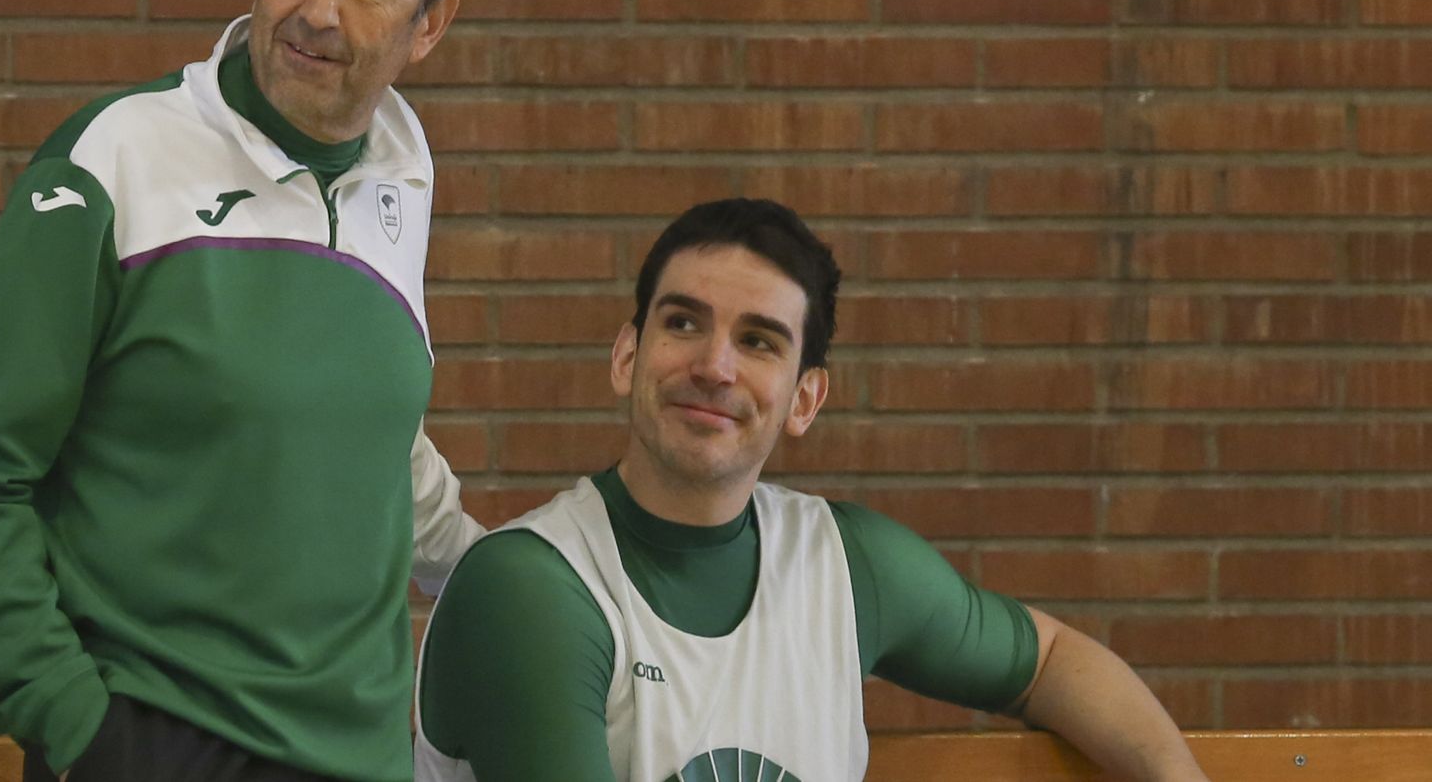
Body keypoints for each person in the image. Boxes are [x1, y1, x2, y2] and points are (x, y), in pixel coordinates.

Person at [0, 0, 483, 782]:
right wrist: (74, 722)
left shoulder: (401, 173)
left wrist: (499, 567)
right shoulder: (112, 158)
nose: (318, 10)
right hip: (152, 748)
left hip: (364, 758)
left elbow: (370, 434)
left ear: (430, 25)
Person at [415, 198, 1212, 782]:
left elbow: (1051, 664)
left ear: (804, 398)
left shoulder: (846, 564)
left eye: (758, 341)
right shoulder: (532, 589)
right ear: (627, 355)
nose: (715, 367)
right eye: (684, 324)